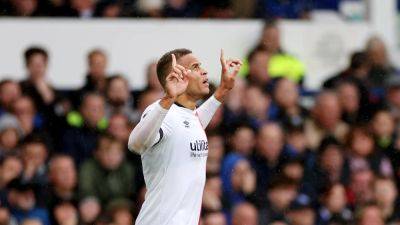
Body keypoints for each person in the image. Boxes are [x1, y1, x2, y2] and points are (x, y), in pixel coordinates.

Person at [128, 48, 242, 225]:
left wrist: (223, 89)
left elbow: (190, 127)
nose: (204, 71)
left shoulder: (188, 116)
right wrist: (167, 98)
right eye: (195, 67)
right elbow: (135, 144)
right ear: (177, 75)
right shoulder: (160, 111)